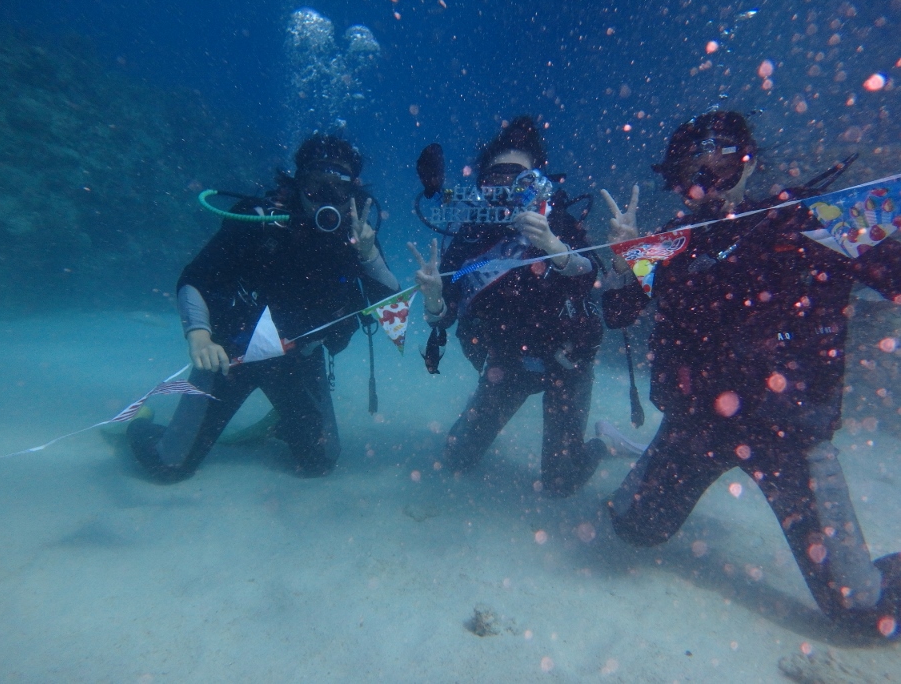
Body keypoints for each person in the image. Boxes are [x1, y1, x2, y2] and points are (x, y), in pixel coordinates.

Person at [599, 110, 901, 638]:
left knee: (860, 613)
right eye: (690, 174)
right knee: (631, 528)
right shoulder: (671, 241)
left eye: (718, 168)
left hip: (789, 435)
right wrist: (623, 263)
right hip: (696, 426)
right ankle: (628, 452)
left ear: (749, 163)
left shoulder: (813, 219)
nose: (706, 186)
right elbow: (618, 314)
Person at [126, 134, 400, 483]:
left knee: (319, 462)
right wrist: (199, 335)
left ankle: (286, 421)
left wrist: (369, 255)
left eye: (338, 186)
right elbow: (196, 278)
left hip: (299, 361)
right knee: (169, 465)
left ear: (353, 190)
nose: (326, 196)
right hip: (230, 358)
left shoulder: (358, 234)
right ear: (298, 181)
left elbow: (391, 310)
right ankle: (140, 423)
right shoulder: (256, 219)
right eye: (316, 183)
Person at [409, 116, 607, 497]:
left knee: (560, 483)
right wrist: (434, 297)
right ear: (482, 185)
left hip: (567, 363)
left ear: (538, 182)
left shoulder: (558, 223)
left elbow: (590, 279)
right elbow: (445, 314)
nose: (506, 189)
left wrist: (555, 248)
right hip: (508, 364)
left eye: (519, 179)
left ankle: (603, 444)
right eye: (495, 179)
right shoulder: (471, 236)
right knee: (456, 457)